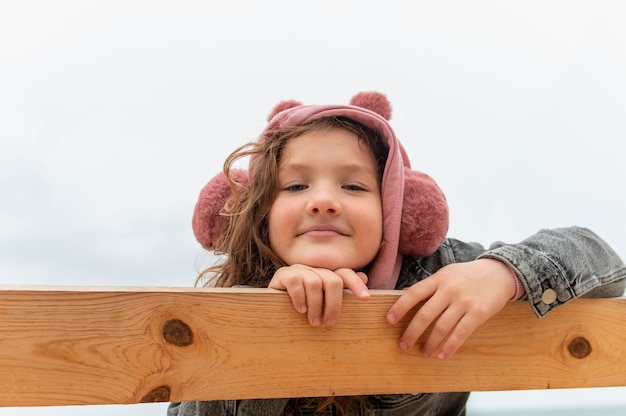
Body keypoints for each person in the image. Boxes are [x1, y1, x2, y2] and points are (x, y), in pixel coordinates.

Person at [169, 92, 626, 416]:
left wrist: (500, 273)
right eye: (295, 186)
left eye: (353, 186)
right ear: (260, 209)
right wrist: (262, 327)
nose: (323, 201)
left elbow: (603, 261)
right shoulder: (230, 302)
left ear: (398, 212)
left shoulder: (441, 272)